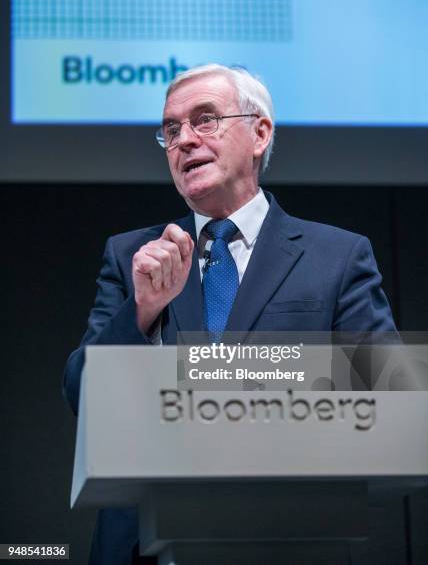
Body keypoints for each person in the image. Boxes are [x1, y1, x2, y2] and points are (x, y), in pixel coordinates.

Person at [63, 64, 396, 564]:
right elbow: (81, 392)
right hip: (145, 545)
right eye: (171, 130)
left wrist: (225, 379)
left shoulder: (337, 256)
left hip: (290, 538)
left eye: (205, 120)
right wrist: (145, 310)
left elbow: (388, 391)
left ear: (260, 132)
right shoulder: (134, 256)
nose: (183, 141)